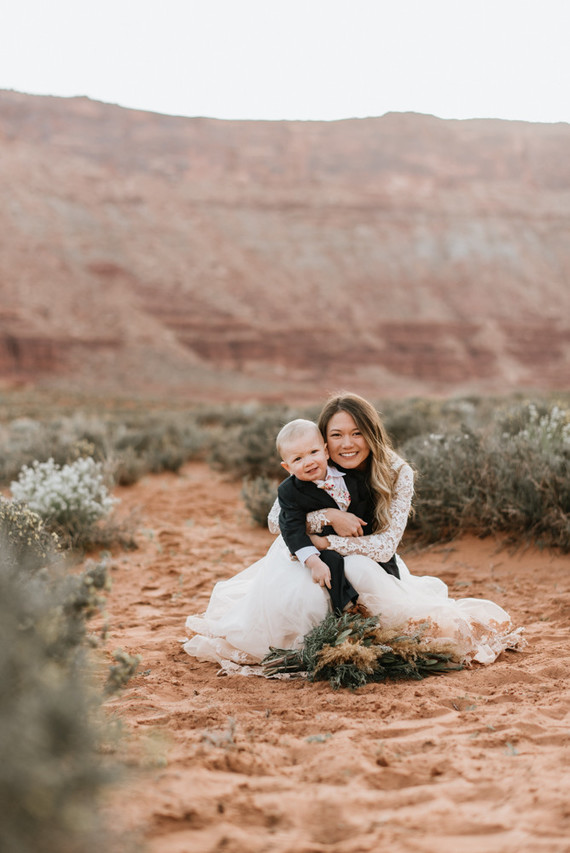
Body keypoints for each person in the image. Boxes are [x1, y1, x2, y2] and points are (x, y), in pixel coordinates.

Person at [183, 393, 523, 669]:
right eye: (336, 435)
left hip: (368, 560)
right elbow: (276, 522)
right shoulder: (316, 461)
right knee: (300, 601)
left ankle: (356, 627)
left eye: (357, 432)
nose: (347, 444)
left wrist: (326, 540)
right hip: (308, 557)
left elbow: (387, 546)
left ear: (371, 433)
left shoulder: (396, 471)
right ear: (323, 440)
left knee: (384, 595)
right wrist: (329, 516)